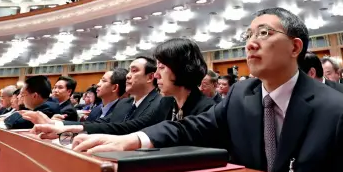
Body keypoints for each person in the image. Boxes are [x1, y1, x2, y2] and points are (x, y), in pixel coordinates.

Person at [65, 8, 343, 172]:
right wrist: (132, 141)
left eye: (264, 33)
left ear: (295, 47)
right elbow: (193, 126)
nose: (250, 43)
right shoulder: (243, 95)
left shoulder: (337, 111)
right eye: (248, 34)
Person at [32, 38, 215, 137]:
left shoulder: (207, 109)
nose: (158, 75)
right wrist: (63, 128)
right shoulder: (168, 103)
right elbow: (129, 127)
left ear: (181, 68)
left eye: (162, 68)